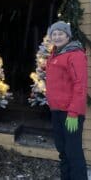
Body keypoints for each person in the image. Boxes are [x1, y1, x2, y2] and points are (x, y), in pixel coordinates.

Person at [46, 21, 88, 180]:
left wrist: (73, 112)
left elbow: (80, 85)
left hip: (70, 113)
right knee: (63, 151)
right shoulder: (55, 54)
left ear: (68, 36)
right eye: (54, 34)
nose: (57, 37)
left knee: (73, 152)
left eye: (60, 33)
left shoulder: (75, 54)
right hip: (56, 110)